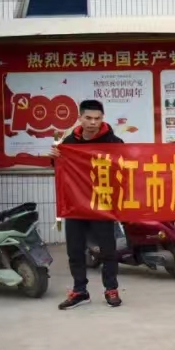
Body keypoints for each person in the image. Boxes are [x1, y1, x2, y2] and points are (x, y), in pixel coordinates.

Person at [51, 99, 125, 310]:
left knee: (108, 250)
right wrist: (55, 158)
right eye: (88, 118)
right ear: (80, 118)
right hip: (75, 204)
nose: (93, 122)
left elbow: (125, 168)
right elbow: (61, 168)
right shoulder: (69, 142)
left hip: (102, 204)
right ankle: (80, 291)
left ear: (103, 118)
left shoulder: (114, 142)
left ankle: (111, 289)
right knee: (75, 250)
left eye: (97, 118)